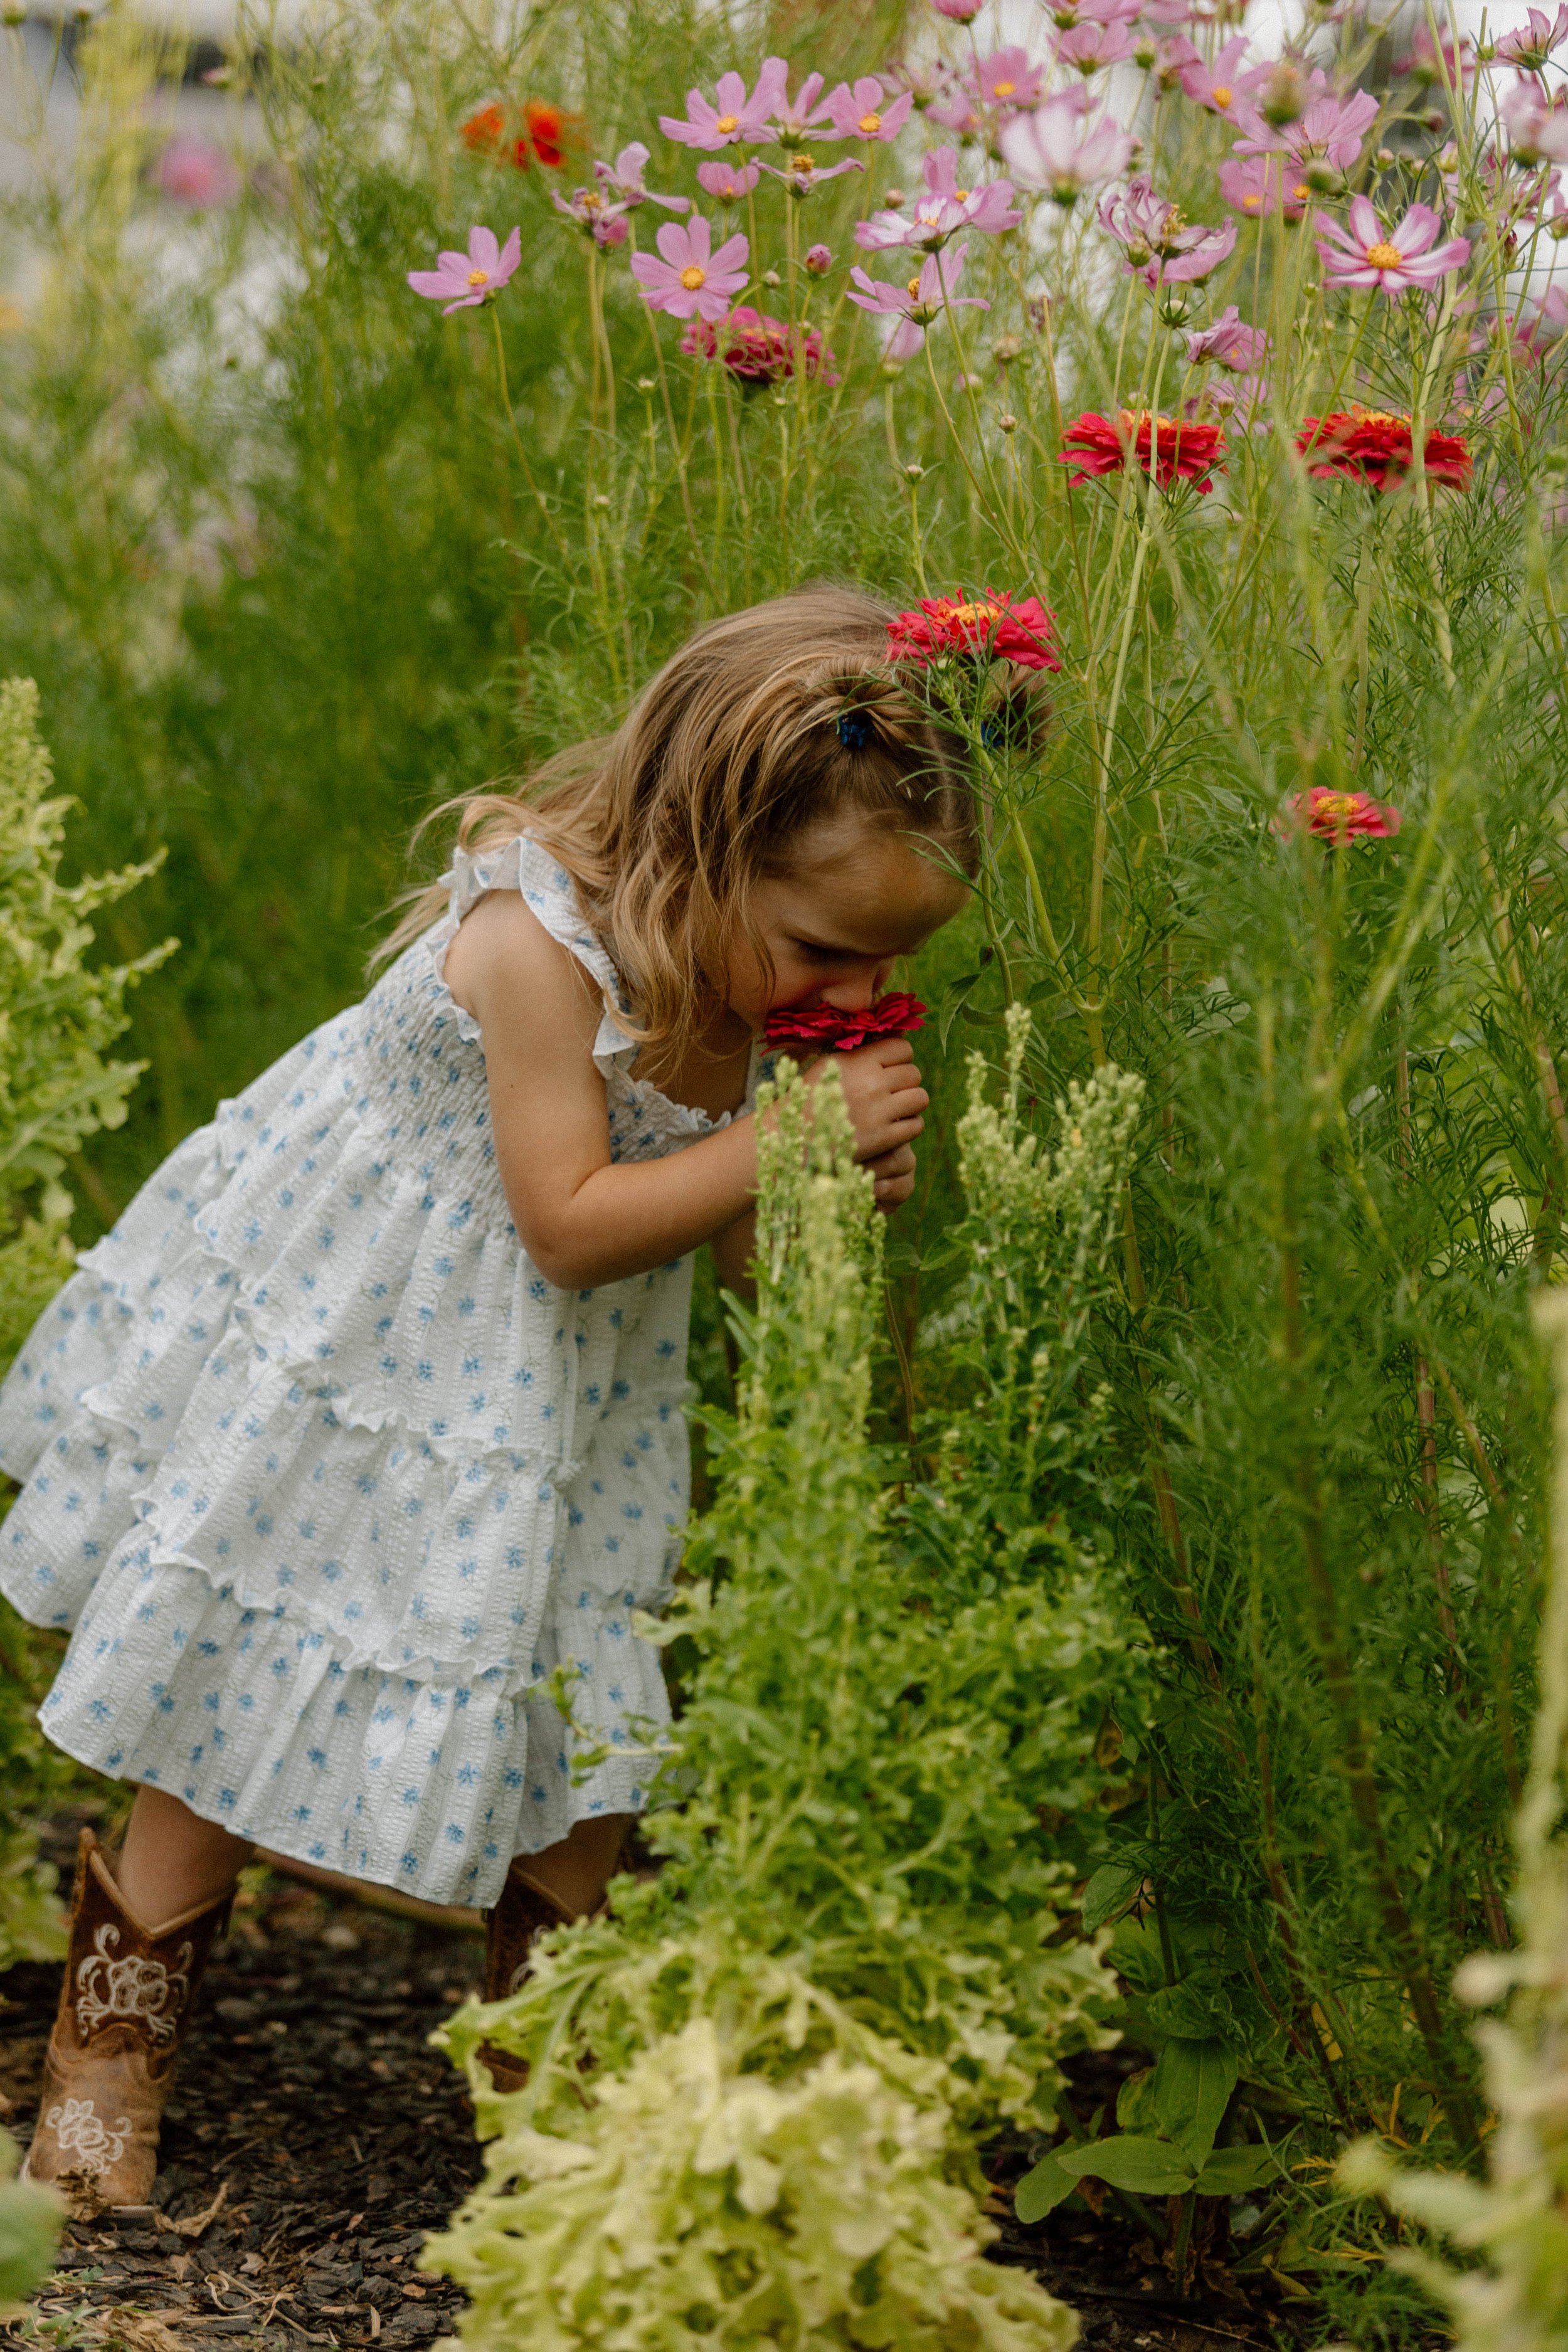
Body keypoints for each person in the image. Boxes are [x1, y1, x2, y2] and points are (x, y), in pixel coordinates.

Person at [0, 583, 977, 2204]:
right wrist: (784, 1142)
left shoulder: (750, 995)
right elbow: (568, 1222)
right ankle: (101, 2090)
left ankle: (543, 2114)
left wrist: (805, 1198)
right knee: (221, 1692)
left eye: (886, 956)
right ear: (703, 845)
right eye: (824, 946)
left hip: (566, 1408)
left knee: (585, 1730)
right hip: (366, 1355)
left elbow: (731, 1260)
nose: (853, 983)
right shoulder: (537, 949)